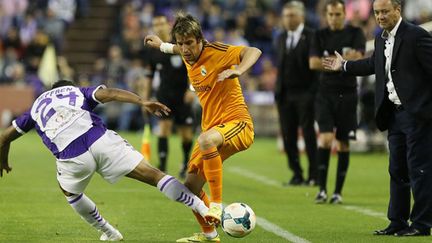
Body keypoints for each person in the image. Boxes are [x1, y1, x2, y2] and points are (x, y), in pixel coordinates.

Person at [0, 80, 209, 241]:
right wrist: (142, 101)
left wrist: (3, 160)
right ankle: (204, 209)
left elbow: (4, 137)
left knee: (70, 193)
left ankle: (108, 231)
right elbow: (110, 93)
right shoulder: (77, 91)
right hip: (100, 140)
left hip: (71, 156)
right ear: (69, 88)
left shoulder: (36, 107)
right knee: (154, 175)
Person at [145, 12, 262, 242]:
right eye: (181, 43)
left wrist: (239, 70)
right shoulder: (187, 54)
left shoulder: (217, 52)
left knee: (205, 140)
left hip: (238, 124)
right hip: (213, 128)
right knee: (188, 188)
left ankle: (217, 205)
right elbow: (176, 49)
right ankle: (210, 235)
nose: (185, 48)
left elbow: (254, 51)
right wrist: (162, 46)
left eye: (189, 43)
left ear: (200, 40)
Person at [323, 0, 432, 237]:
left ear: (397, 10)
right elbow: (374, 64)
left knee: (419, 170)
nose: (380, 16)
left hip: (418, 116)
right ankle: (398, 221)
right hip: (394, 115)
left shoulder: (416, 35)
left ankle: (422, 224)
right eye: (376, 12)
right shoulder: (381, 38)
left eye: (384, 11)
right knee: (397, 170)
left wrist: (425, 108)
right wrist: (345, 66)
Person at [309, 0, 365, 204]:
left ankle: (337, 192)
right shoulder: (319, 34)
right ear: (326, 15)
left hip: (348, 94)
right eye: (331, 14)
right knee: (324, 139)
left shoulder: (355, 32)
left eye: (338, 14)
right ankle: (322, 189)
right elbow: (313, 62)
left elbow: (359, 57)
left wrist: (332, 59)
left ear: (344, 15)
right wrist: (341, 62)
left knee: (342, 144)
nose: (334, 18)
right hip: (325, 94)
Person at [144, 14, 195, 179]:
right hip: (164, 95)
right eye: (155, 24)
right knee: (163, 129)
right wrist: (145, 99)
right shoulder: (153, 50)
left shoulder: (179, 43)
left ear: (168, 24)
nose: (159, 27)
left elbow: (193, 66)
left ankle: (186, 164)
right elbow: (149, 76)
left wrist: (191, 90)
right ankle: (163, 167)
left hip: (183, 95)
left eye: (161, 23)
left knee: (186, 134)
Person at [274, 1, 318, 186]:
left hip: (305, 93)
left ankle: (314, 175)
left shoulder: (312, 36)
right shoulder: (281, 37)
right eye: (285, 15)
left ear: (301, 16)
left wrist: (313, 93)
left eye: (291, 15)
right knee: (288, 135)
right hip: (285, 94)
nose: (288, 19)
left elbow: (315, 68)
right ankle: (296, 173)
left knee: (308, 134)